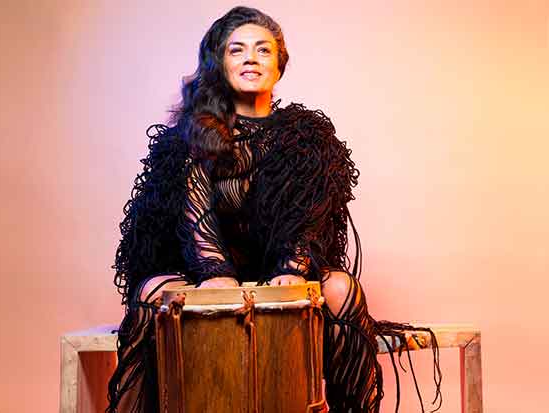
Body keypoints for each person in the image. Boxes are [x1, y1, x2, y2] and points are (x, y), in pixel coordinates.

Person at [107, 6, 442, 413]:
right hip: (200, 271)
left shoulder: (307, 135)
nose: (251, 58)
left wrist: (292, 267)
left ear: (279, 65)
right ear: (219, 64)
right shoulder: (190, 136)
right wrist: (215, 273)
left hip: (283, 267)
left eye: (263, 50)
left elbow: (309, 214)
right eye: (237, 50)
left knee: (341, 289)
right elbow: (195, 216)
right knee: (153, 293)